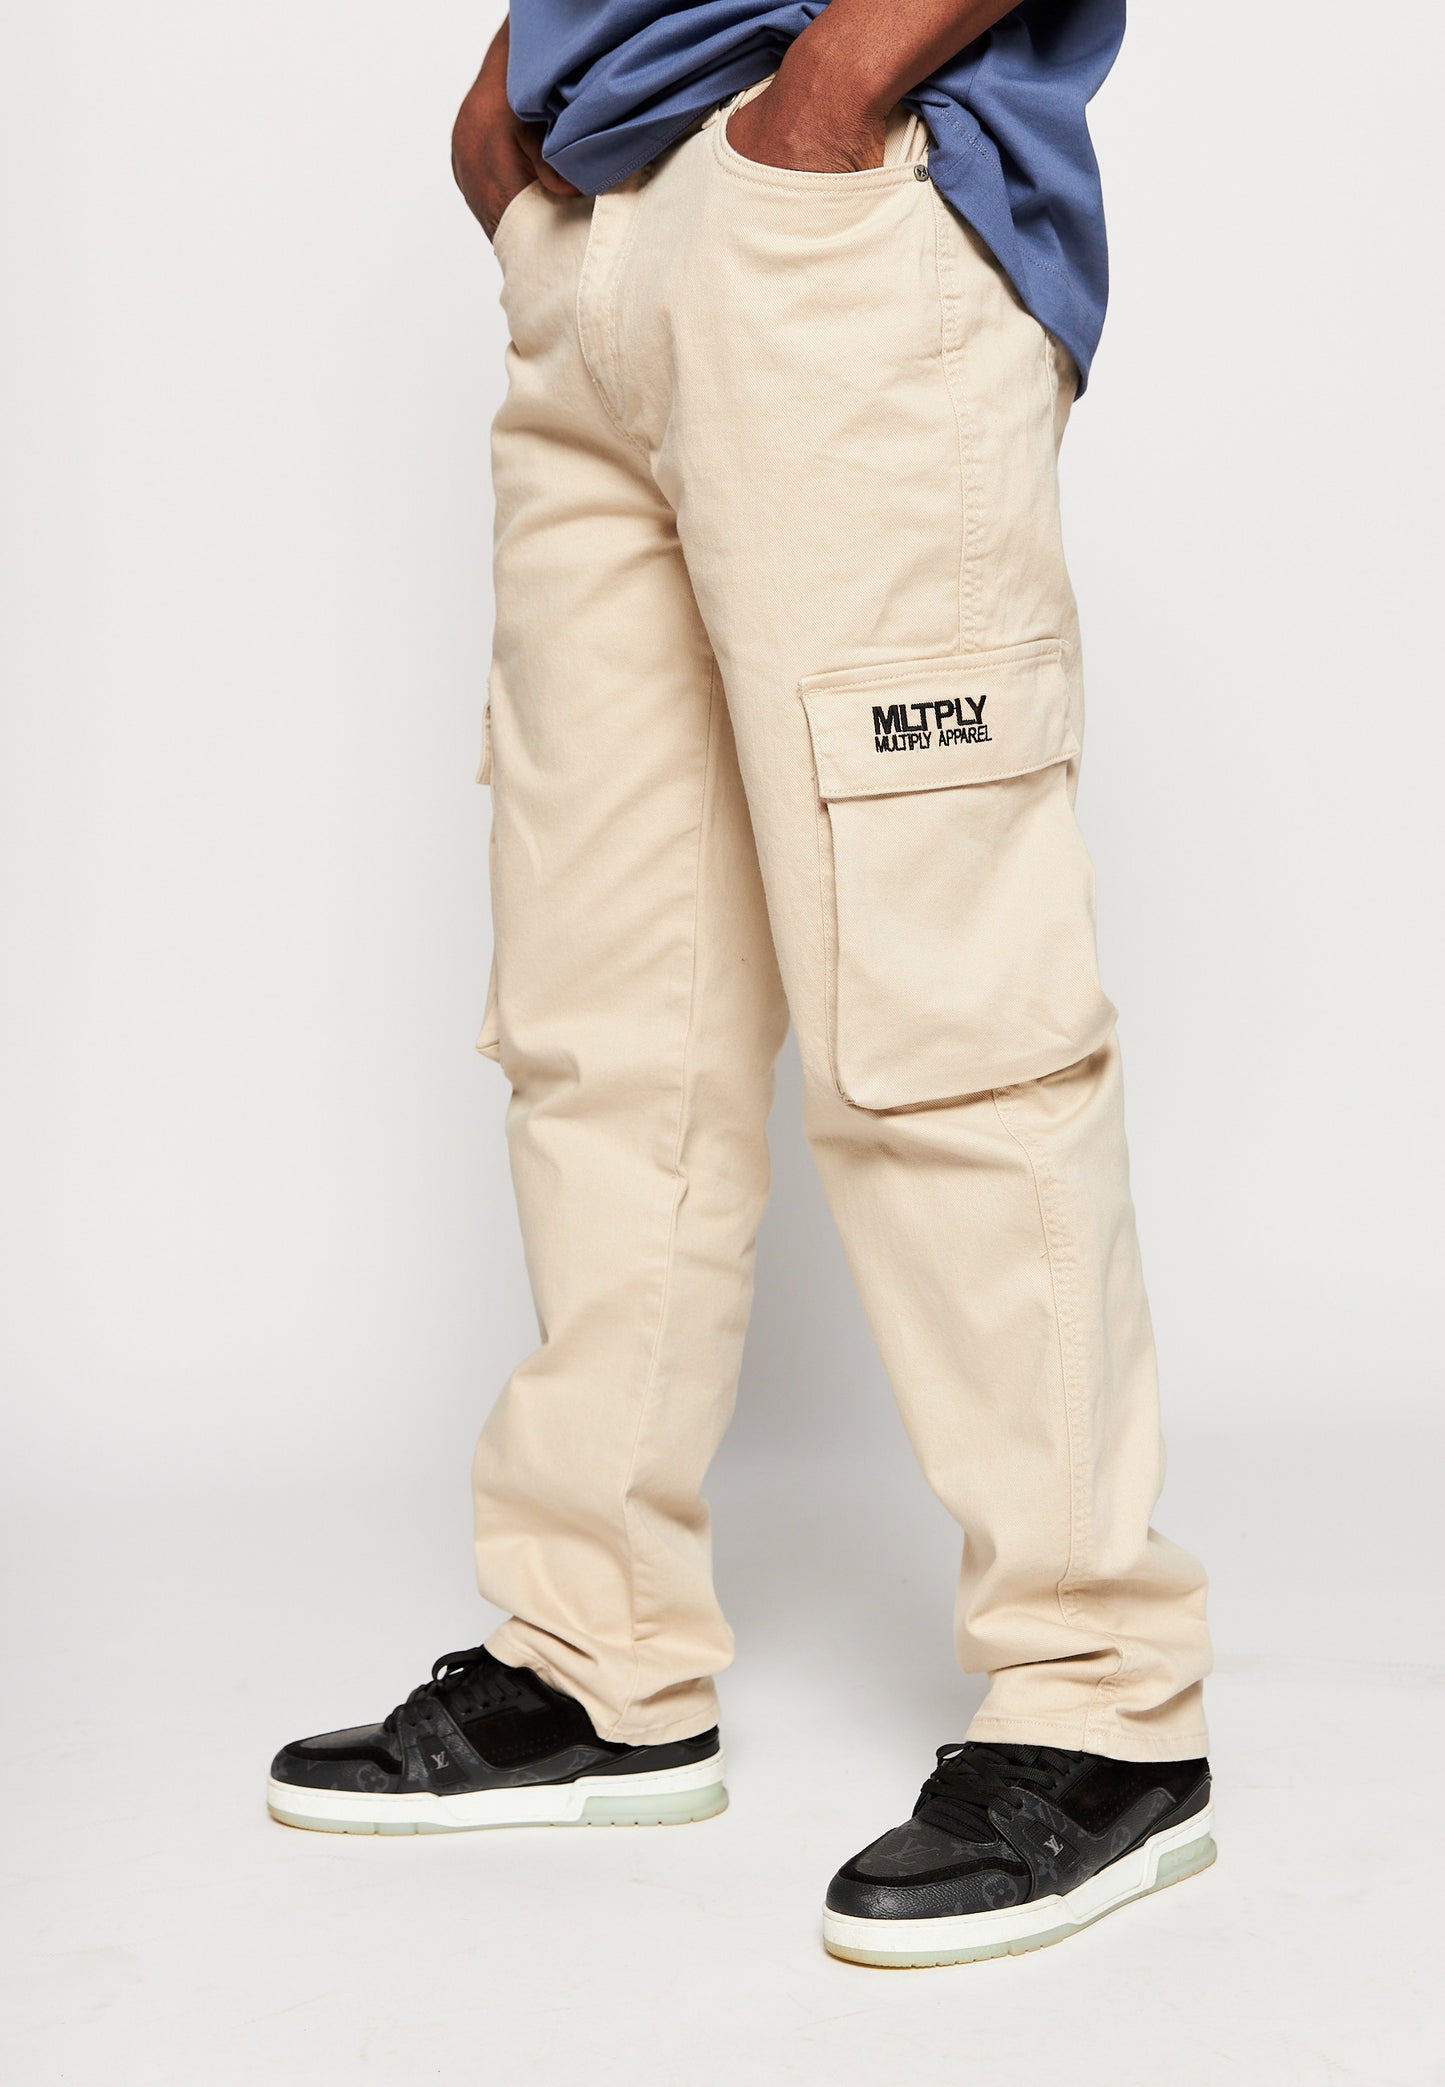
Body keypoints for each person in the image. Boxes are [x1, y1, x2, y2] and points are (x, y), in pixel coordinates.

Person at [268, 0, 1214, 1968]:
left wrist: (831, 93)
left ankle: (1100, 1698)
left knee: (940, 1009)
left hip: (839, 221)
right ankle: (596, 1648)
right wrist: (512, 114)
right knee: (604, 1014)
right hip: (596, 241)